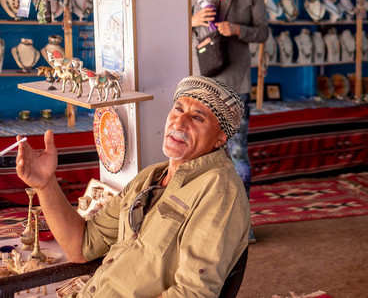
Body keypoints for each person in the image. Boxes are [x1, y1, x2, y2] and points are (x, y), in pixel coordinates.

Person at [15, 76, 250, 297]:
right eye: (178, 109)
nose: (180, 121)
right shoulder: (151, 177)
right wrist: (46, 185)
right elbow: (82, 246)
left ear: (221, 138)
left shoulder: (219, 189)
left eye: (198, 118)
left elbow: (193, 292)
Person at [191, 0, 269, 242]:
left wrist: (237, 29)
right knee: (202, 155)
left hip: (237, 85)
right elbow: (175, 23)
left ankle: (241, 223)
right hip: (204, 85)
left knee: (237, 154)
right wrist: (193, 20)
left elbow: (262, 32)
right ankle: (207, 222)